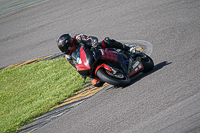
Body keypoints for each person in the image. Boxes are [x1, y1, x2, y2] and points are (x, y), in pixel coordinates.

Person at [57, 33, 136, 87]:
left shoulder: (77, 38)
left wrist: (94, 42)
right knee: (96, 83)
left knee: (107, 41)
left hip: (95, 50)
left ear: (69, 43)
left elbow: (90, 38)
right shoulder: (68, 56)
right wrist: (82, 74)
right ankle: (110, 75)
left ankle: (128, 49)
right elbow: (76, 65)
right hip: (88, 62)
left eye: (64, 47)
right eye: (62, 49)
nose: (64, 50)